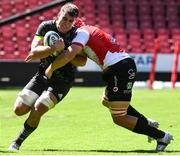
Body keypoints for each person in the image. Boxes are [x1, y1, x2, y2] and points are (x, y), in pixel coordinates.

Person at [44, 17, 173, 152]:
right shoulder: (90, 31)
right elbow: (81, 60)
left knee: (119, 118)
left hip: (118, 69)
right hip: (120, 67)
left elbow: (70, 56)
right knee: (106, 101)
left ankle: (162, 136)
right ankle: (146, 123)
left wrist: (52, 67)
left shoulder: (81, 33)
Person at [8, 3, 87, 151]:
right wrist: (52, 48)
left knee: (39, 107)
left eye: (71, 21)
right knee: (19, 110)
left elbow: (82, 61)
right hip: (42, 76)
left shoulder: (77, 34)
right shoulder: (45, 27)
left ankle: (17, 142)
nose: (67, 24)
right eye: (64, 19)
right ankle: (34, 105)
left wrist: (66, 51)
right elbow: (33, 53)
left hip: (62, 81)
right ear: (58, 15)